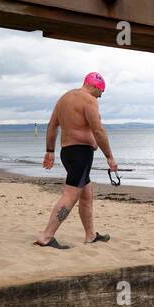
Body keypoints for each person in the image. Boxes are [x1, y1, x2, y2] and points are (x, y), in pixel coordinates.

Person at [33, 72, 118, 248]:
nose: (100, 96)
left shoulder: (63, 99)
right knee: (70, 195)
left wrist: (49, 151)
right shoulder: (89, 100)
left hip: (67, 153)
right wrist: (109, 156)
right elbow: (98, 130)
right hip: (81, 154)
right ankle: (46, 236)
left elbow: (52, 126)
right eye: (101, 92)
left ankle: (91, 235)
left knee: (86, 194)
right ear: (95, 86)